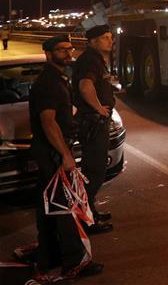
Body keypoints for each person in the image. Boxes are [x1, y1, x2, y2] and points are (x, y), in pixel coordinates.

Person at [28, 34, 103, 280]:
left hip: (52, 153)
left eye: (70, 48)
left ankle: (48, 257)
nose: (68, 53)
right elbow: (48, 122)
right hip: (53, 154)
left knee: (48, 208)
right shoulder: (48, 82)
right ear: (49, 54)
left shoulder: (58, 79)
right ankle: (74, 262)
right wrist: (64, 154)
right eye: (62, 50)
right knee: (64, 209)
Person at [72, 24, 116, 234]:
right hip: (93, 122)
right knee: (95, 171)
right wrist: (99, 108)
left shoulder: (95, 59)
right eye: (106, 37)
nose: (111, 41)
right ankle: (85, 220)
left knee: (94, 170)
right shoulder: (90, 60)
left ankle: (90, 212)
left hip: (95, 121)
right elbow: (85, 86)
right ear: (93, 41)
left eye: (110, 37)